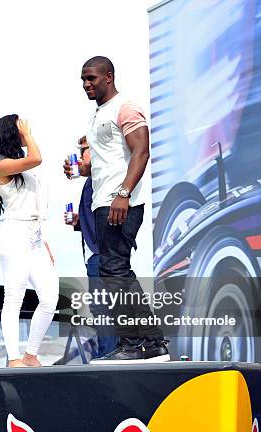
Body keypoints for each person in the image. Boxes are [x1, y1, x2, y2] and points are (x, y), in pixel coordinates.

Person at [80, 56, 169, 362]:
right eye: (83, 80)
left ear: (109, 77)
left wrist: (123, 193)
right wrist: (82, 171)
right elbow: (107, 160)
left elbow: (141, 152)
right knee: (115, 270)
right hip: (103, 201)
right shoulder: (97, 116)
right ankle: (150, 342)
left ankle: (135, 343)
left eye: (91, 78)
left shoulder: (125, 107)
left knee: (114, 270)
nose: (86, 84)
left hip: (121, 202)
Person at [0, 115, 58, 367]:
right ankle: (14, 357)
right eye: (21, 127)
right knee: (14, 298)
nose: (26, 129)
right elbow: (36, 157)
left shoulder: (19, 166)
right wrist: (28, 136)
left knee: (49, 298)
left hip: (34, 235)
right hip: (13, 234)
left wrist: (44, 240)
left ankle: (30, 354)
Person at [64, 136, 116, 358]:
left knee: (103, 308)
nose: (80, 155)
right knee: (102, 308)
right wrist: (79, 222)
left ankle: (108, 354)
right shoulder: (91, 181)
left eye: (84, 150)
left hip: (101, 253)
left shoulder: (102, 179)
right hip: (96, 252)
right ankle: (109, 352)